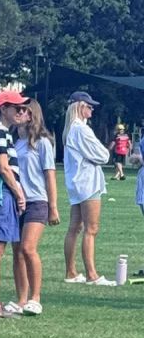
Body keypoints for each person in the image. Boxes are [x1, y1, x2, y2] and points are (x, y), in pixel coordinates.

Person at [5, 100, 60, 316]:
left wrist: (53, 207)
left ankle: (35, 298)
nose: (18, 113)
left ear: (31, 115)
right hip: (16, 201)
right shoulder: (14, 143)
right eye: (16, 109)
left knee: (28, 248)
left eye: (22, 110)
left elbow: (50, 175)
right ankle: (21, 299)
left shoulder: (42, 142)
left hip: (37, 201)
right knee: (17, 252)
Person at [0, 90, 29, 317]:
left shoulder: (0, 132)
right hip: (1, 195)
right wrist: (19, 193)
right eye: (16, 107)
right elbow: (3, 167)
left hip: (2, 196)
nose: (21, 111)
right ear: (3, 109)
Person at [62, 91, 115, 286]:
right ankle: (92, 274)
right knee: (91, 229)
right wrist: (101, 153)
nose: (91, 109)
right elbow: (102, 155)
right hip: (87, 182)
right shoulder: (81, 130)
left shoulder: (69, 130)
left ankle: (71, 272)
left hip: (75, 183)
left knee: (74, 228)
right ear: (79, 107)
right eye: (89, 106)